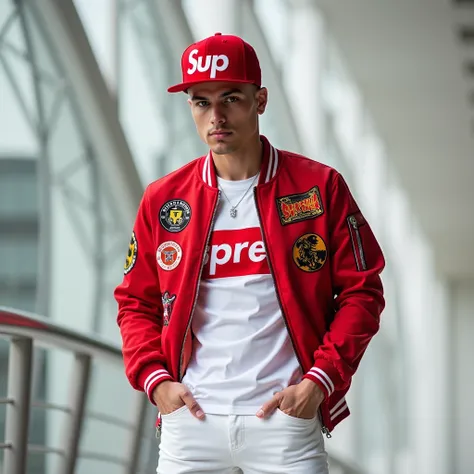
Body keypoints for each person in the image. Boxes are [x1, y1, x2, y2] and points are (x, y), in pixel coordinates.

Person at [114, 32, 385, 474]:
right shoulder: (164, 201)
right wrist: (156, 381)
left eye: (231, 99)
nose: (216, 117)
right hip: (191, 422)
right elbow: (135, 302)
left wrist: (319, 382)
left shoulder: (319, 188)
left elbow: (363, 293)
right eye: (201, 102)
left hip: (285, 419)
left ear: (260, 100)